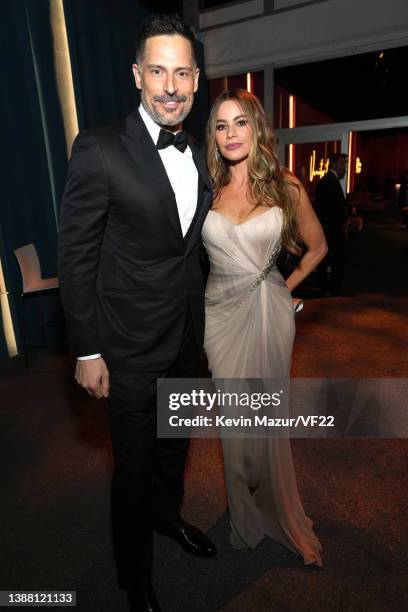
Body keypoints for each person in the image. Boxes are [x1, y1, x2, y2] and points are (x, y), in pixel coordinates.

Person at [58, 14, 216, 612]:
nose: (170, 85)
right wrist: (87, 349)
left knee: (175, 448)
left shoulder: (198, 151)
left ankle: (167, 518)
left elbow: (189, 247)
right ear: (136, 76)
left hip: (184, 337)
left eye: (182, 72)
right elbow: (75, 256)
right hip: (123, 347)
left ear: (197, 80)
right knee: (134, 466)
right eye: (158, 70)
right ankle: (133, 577)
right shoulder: (98, 148)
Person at [202, 89, 327, 566]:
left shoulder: (285, 186)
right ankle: (244, 517)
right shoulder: (205, 190)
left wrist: (286, 289)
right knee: (236, 429)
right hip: (219, 317)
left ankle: (269, 507)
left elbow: (317, 248)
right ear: (213, 136)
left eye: (240, 123)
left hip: (270, 312)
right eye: (220, 125)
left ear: (257, 127)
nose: (231, 134)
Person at [314, 153, 351, 297]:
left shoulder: (326, 180)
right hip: (331, 231)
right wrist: (344, 220)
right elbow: (336, 208)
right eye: (342, 164)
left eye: (345, 165)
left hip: (326, 230)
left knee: (325, 262)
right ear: (333, 164)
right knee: (336, 262)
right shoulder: (330, 181)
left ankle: (325, 290)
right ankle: (333, 291)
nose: (345, 168)